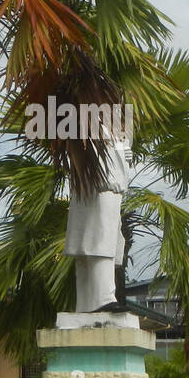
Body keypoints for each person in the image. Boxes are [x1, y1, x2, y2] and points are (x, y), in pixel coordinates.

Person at [63, 132, 131, 312]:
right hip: (100, 185)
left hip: (108, 185)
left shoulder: (110, 121)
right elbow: (82, 149)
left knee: (100, 240)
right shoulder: (84, 117)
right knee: (100, 240)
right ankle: (103, 298)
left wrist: (123, 153)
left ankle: (87, 303)